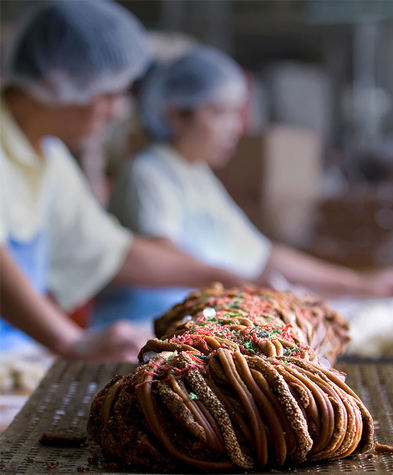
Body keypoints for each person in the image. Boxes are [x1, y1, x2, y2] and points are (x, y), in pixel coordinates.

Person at [97, 46, 393, 326]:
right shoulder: (147, 174)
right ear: (175, 115)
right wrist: (242, 283)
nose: (236, 128)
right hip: (140, 335)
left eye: (238, 113)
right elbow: (163, 256)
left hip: (196, 331)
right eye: (220, 112)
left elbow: (261, 256)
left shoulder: (196, 176)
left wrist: (361, 284)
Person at [0, 3, 244, 362]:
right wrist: (70, 341)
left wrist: (217, 276)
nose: (116, 110)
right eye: (108, 94)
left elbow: (111, 250)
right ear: (57, 81)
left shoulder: (49, 159)